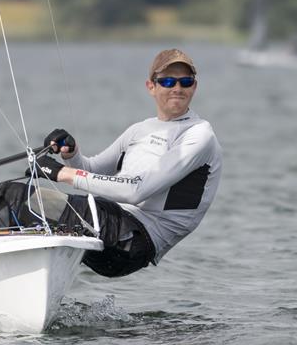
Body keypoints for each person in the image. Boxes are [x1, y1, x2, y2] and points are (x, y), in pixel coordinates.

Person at [21, 48, 223, 277]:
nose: (177, 88)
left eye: (185, 82)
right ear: (151, 87)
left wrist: (62, 174)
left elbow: (137, 191)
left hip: (136, 241)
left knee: (23, 200)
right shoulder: (139, 130)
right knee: (22, 201)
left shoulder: (199, 135)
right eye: (167, 81)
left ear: (194, 87)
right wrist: (71, 153)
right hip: (112, 225)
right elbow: (89, 171)